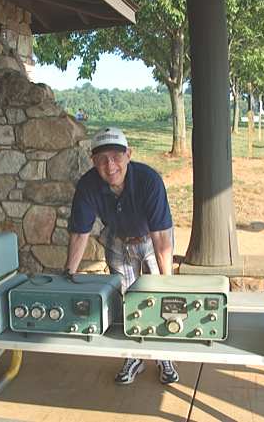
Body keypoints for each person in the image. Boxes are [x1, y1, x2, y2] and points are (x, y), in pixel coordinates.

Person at [64, 126, 178, 385]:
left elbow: (162, 237)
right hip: (117, 240)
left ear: (129, 154)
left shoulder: (149, 180)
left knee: (158, 299)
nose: (110, 164)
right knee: (126, 302)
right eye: (102, 159)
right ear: (93, 162)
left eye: (116, 156)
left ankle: (164, 354)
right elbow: (80, 233)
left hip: (151, 239)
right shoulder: (88, 185)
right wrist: (68, 274)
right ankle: (132, 356)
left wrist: (167, 282)